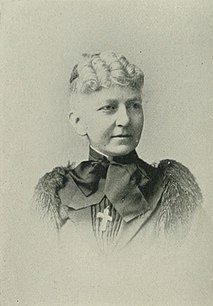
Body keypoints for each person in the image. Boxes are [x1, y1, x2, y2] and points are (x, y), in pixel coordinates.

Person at [33, 51, 203, 256]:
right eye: (109, 107)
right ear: (78, 122)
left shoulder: (174, 195)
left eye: (134, 106)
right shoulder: (55, 197)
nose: (125, 120)